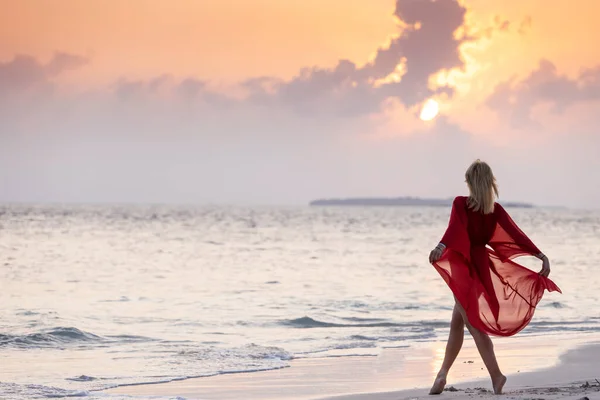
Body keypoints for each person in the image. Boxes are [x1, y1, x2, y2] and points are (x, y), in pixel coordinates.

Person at [428, 159, 561, 395]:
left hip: (465, 267)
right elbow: (516, 235)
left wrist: (440, 246)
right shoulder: (494, 210)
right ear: (490, 183)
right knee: (458, 322)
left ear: (470, 182)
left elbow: (455, 229)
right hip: (481, 265)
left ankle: (496, 375)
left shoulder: (461, 204)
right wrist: (541, 255)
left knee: (473, 323)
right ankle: (442, 375)